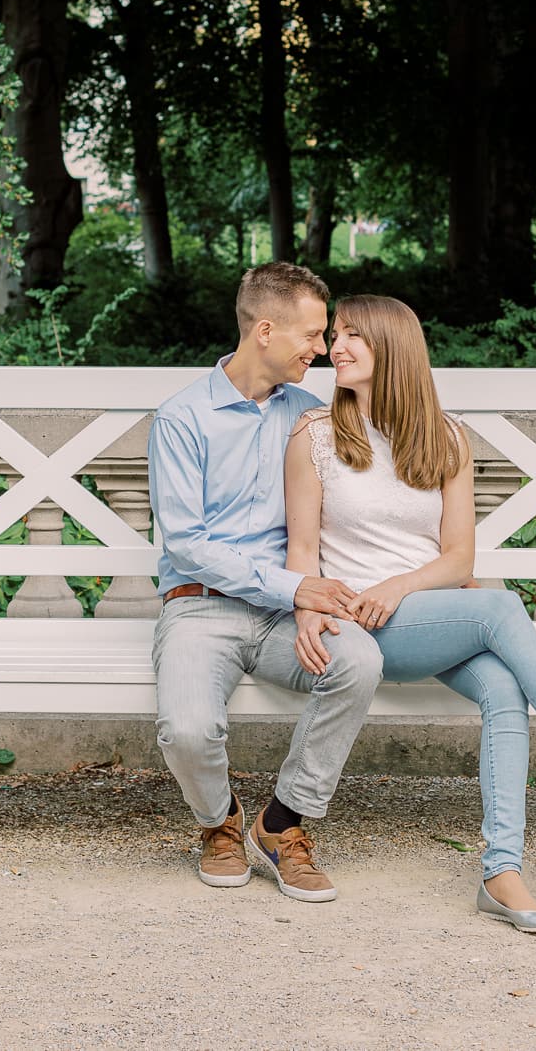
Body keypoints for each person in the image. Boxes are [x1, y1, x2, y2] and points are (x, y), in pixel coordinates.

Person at [283, 292, 536, 934]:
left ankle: (502, 874)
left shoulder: (447, 438)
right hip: (357, 622)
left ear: (395, 348)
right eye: (336, 334)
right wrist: (311, 607)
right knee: (497, 605)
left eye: (354, 335)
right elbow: (301, 546)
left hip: (427, 615)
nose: (337, 346)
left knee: (503, 688)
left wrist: (403, 586)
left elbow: (456, 556)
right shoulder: (316, 435)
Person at [148, 262, 383, 905]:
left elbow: (372, 484)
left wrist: (308, 596)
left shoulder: (310, 414)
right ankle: (220, 822)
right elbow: (187, 546)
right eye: (311, 335)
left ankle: (281, 824)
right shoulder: (182, 420)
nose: (322, 349)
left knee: (358, 660)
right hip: (203, 608)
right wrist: (293, 588)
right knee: (188, 730)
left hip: (288, 614)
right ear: (266, 331)